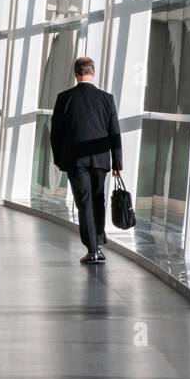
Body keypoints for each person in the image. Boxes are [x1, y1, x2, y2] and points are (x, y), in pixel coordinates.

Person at [49, 56, 123, 264]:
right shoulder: (106, 99)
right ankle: (97, 240)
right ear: (93, 72)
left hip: (75, 160)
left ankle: (93, 250)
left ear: (75, 73)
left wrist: (58, 158)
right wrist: (117, 163)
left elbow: (55, 133)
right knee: (97, 200)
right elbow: (114, 132)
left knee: (84, 203)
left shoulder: (64, 98)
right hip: (100, 159)